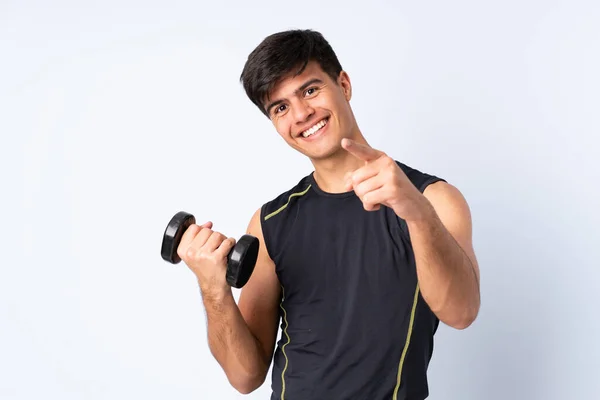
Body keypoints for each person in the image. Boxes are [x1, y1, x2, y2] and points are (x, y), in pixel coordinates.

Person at [176, 29, 481, 400]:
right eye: (281, 107)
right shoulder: (271, 222)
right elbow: (245, 376)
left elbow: (462, 312)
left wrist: (416, 213)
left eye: (310, 90)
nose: (302, 114)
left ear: (344, 85)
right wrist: (213, 287)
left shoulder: (432, 199)